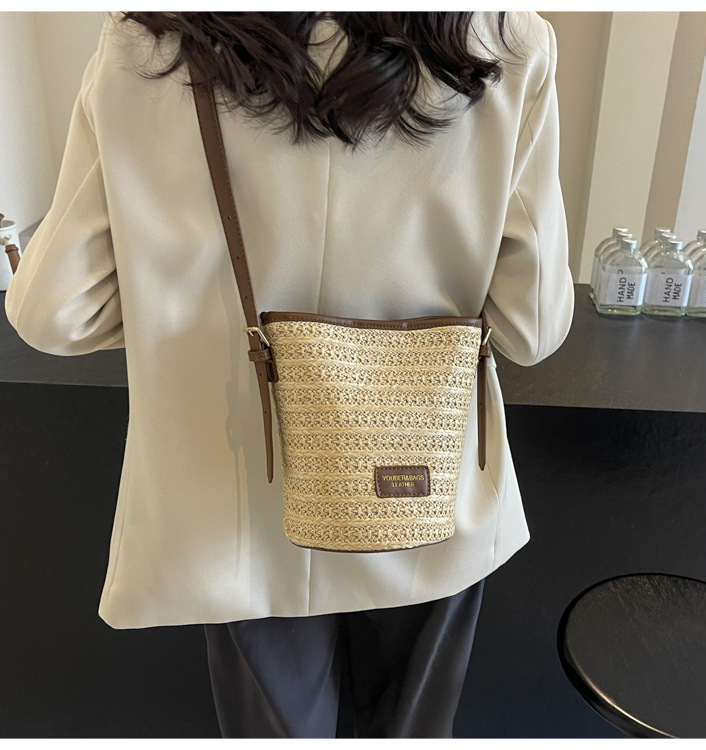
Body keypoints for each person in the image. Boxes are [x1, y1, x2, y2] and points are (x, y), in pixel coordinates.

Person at [4, 10, 574, 739]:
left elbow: (55, 313)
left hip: (234, 506)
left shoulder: (148, 43)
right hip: (424, 483)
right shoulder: (502, 38)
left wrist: (183, 320)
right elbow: (531, 328)